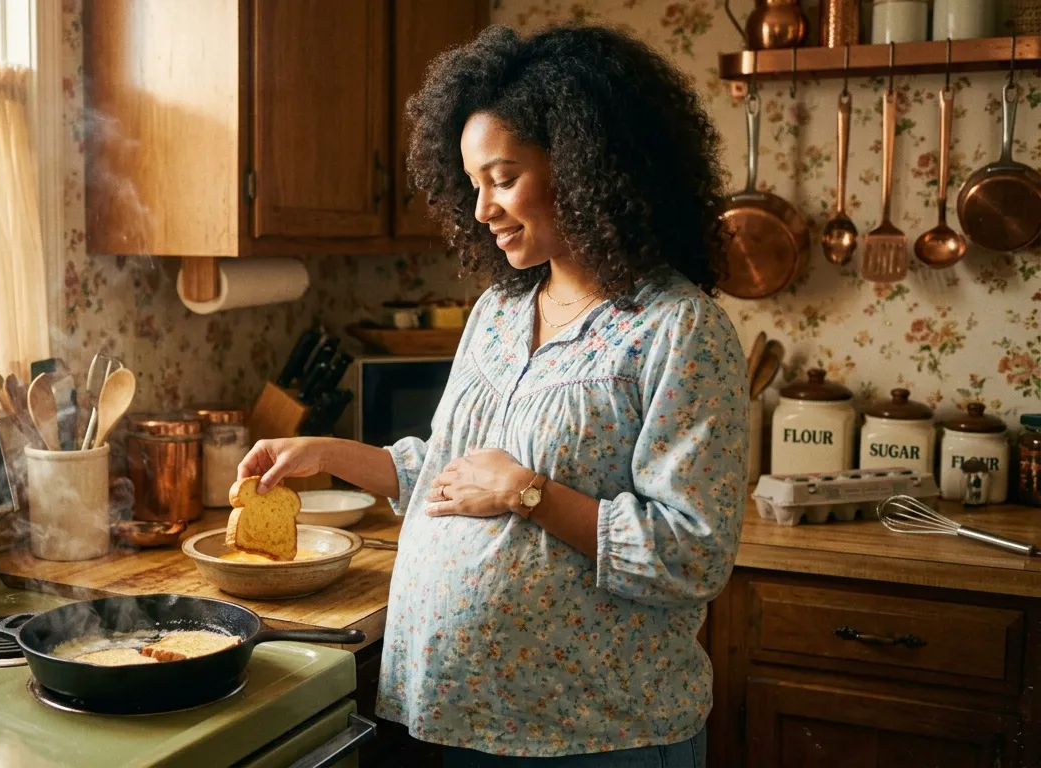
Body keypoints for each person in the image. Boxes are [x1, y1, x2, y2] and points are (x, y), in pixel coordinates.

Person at [237, 22, 747, 767]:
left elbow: (690, 554)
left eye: (502, 178)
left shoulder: (679, 330)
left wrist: (531, 494)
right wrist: (324, 452)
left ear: (584, 166)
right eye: (473, 184)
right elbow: (453, 475)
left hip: (600, 733)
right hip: (465, 717)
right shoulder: (500, 312)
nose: (481, 210)